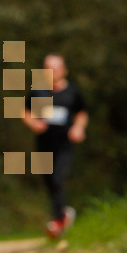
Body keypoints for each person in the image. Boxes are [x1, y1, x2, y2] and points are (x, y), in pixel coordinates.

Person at [23, 54, 88, 239]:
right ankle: (64, 214)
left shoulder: (72, 92)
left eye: (56, 67)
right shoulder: (38, 91)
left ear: (64, 70)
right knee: (49, 181)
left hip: (65, 144)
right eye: (48, 67)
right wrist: (33, 123)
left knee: (58, 178)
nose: (52, 71)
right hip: (44, 144)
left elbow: (82, 113)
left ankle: (57, 221)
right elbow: (25, 111)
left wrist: (78, 128)